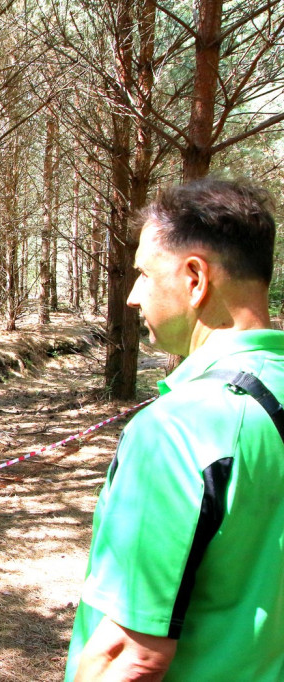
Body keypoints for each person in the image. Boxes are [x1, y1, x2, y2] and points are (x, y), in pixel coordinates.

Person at [65, 178, 284, 681]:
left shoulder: (179, 429)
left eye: (143, 273)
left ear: (194, 277)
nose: (133, 297)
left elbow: (131, 654)